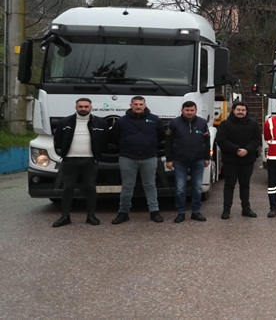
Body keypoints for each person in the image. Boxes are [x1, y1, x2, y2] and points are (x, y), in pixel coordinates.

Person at [51, 98, 108, 227]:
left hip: (90, 160)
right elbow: (57, 139)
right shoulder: (65, 122)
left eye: (86, 106)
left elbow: (105, 141)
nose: (83, 109)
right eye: (80, 106)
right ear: (75, 107)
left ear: (91, 107)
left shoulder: (100, 123)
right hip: (69, 160)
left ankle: (91, 216)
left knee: (90, 188)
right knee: (68, 188)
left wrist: (97, 154)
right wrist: (62, 153)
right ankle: (65, 216)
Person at [111, 96, 166, 225]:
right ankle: (123, 212)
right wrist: (126, 147)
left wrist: (150, 146)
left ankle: (154, 211)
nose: (138, 106)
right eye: (135, 104)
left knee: (150, 185)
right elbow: (114, 137)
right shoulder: (122, 121)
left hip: (149, 157)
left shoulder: (154, 120)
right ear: (131, 105)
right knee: (127, 187)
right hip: (128, 157)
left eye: (141, 104)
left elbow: (161, 136)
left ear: (145, 105)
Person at [166, 101, 211, 223]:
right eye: (187, 110)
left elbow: (207, 141)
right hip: (180, 160)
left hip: (198, 160)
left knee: (197, 188)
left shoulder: (202, 123)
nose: (189, 112)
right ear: (182, 110)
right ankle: (181, 213)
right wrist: (169, 159)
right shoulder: (174, 123)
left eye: (192, 110)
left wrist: (207, 158)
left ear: (196, 110)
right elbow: (168, 142)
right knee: (180, 188)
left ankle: (196, 212)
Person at [216, 101, 261, 219]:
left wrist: (247, 150)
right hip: (230, 160)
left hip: (247, 160)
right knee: (229, 185)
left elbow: (257, 140)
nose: (241, 112)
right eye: (238, 110)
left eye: (243, 110)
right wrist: (236, 150)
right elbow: (221, 140)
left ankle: (246, 208)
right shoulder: (225, 124)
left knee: (245, 185)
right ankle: (226, 209)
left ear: (246, 111)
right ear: (233, 110)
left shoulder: (254, 124)